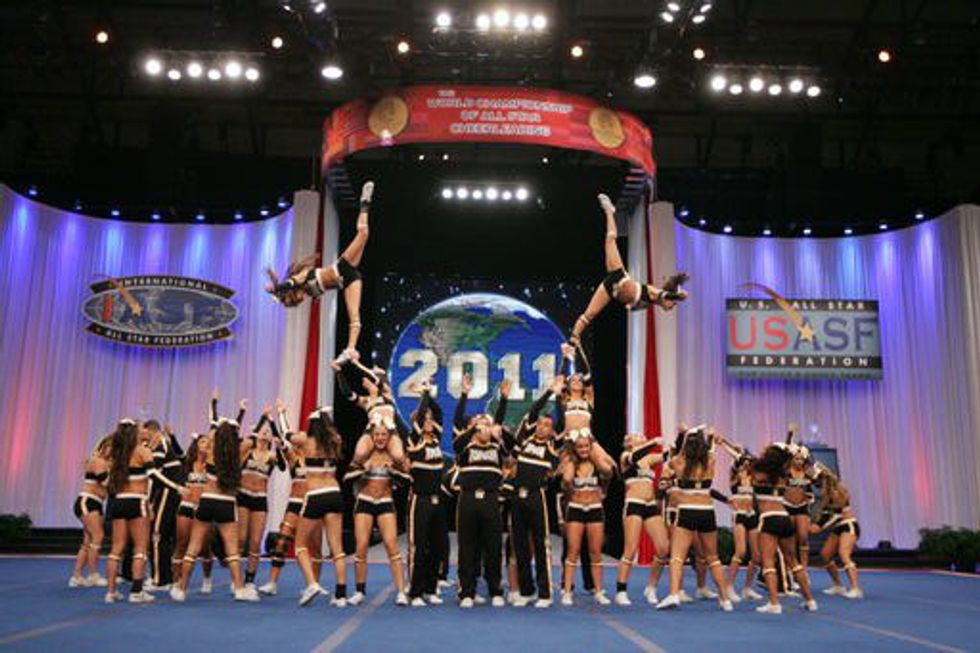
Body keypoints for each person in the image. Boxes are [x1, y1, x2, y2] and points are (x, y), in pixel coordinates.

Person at [266, 181, 374, 361]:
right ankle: (349, 350)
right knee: (355, 318)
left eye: (296, 299)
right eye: (297, 302)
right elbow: (296, 292)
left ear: (293, 292)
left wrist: (276, 289)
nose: (300, 300)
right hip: (349, 280)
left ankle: (365, 202)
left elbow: (289, 284)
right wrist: (280, 295)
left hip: (342, 267)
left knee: (363, 233)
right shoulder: (310, 293)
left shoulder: (301, 277)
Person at [569, 193, 688, 345]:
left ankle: (572, 340)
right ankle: (609, 211)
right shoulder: (653, 293)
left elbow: (633, 305)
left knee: (588, 316)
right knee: (610, 239)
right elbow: (663, 294)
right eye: (672, 305)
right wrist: (676, 296)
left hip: (610, 289)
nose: (671, 308)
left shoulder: (650, 303)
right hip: (618, 276)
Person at [169, 419, 260, 602]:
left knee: (193, 548)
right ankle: (239, 589)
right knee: (232, 551)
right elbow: (252, 439)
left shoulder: (211, 450)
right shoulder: (240, 451)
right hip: (227, 502)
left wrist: (219, 425)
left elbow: (211, 432)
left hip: (207, 500)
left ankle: (181, 589)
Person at [105, 419, 183, 603]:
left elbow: (108, 480)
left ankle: (110, 592)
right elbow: (153, 474)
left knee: (116, 548)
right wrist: (177, 487)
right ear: (134, 433)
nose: (143, 432)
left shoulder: (116, 454)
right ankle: (136, 591)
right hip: (137, 501)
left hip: (118, 501)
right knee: (140, 547)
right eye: (140, 429)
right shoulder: (142, 451)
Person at [656, 427, 733, 611]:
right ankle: (725, 600)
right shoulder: (710, 460)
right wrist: (710, 437)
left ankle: (674, 594)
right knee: (713, 558)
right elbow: (711, 448)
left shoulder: (678, 461)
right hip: (707, 511)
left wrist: (685, 434)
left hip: (687, 510)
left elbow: (671, 464)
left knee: (677, 557)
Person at [508, 377, 564, 608]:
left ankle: (545, 593)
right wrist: (548, 391)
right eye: (540, 424)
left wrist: (558, 397)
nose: (542, 427)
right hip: (517, 496)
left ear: (552, 431)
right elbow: (533, 411)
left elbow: (562, 422)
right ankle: (526, 590)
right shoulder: (524, 441)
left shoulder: (552, 448)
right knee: (520, 546)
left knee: (541, 545)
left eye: (547, 425)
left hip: (536, 497)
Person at [286, 407, 348, 607]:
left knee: (300, 546)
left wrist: (281, 414)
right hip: (334, 493)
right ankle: (341, 595)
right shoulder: (335, 440)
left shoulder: (305, 440)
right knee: (337, 548)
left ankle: (312, 583)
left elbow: (286, 435)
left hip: (315, 495)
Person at [346, 422, 411, 606]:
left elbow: (408, 479)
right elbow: (346, 478)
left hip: (385, 503)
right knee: (361, 546)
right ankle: (359, 591)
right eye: (377, 435)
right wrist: (362, 469)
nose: (380, 438)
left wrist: (393, 471)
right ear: (371, 437)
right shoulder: (363, 455)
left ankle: (401, 592)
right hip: (365, 502)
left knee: (391, 545)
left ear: (389, 437)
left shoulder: (394, 457)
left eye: (384, 435)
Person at [749, 444, 818, 614]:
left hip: (768, 518)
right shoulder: (783, 475)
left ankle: (774, 603)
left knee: (768, 562)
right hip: (784, 517)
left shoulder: (758, 473)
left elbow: (751, 468)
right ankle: (810, 601)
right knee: (794, 562)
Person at [453, 412, 511, 608]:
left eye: (487, 425)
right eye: (481, 426)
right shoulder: (466, 447)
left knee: (493, 546)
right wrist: (473, 428)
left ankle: (495, 590)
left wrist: (497, 433)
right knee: (467, 546)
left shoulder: (497, 447)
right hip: (468, 498)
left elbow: (511, 447)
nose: (484, 429)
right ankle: (467, 592)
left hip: (491, 499)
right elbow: (456, 445)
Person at [559, 433, 616, 606]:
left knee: (595, 552)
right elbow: (566, 480)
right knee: (573, 551)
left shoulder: (597, 463)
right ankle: (567, 592)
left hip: (595, 509)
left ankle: (598, 591)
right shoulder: (571, 463)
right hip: (576, 509)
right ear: (575, 449)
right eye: (580, 447)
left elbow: (609, 471)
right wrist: (569, 459)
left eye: (586, 446)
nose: (583, 449)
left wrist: (595, 451)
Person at [405, 382, 449, 606]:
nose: (430, 421)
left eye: (431, 419)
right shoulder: (414, 440)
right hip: (420, 499)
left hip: (437, 500)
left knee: (437, 547)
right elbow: (422, 414)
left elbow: (438, 412)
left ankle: (431, 589)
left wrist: (430, 395)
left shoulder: (436, 440)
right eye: (426, 419)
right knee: (419, 547)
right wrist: (423, 393)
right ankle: (415, 592)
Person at [259, 404, 310, 596]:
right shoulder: (292, 457)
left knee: (312, 546)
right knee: (281, 541)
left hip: (311, 503)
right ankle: (272, 582)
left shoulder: (315, 456)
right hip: (295, 502)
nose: (300, 438)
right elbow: (283, 437)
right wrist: (278, 416)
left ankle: (312, 583)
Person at [615, 433, 670, 606]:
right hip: (634, 503)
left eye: (641, 435)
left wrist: (683, 436)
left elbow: (669, 455)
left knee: (663, 548)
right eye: (636, 435)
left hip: (650, 504)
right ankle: (621, 591)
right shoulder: (625, 456)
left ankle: (651, 587)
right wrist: (653, 442)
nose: (641, 435)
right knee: (631, 549)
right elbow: (634, 457)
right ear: (628, 442)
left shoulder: (649, 458)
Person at [237, 409, 287, 588]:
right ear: (257, 434)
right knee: (241, 539)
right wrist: (262, 418)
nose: (265, 433)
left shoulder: (272, 456)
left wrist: (278, 446)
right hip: (243, 495)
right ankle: (236, 577)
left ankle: (250, 579)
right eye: (262, 431)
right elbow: (248, 438)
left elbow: (283, 466)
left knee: (256, 542)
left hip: (260, 498)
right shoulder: (247, 451)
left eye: (268, 432)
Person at [144, 420, 185, 592]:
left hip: (167, 494)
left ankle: (160, 580)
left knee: (157, 536)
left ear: (151, 431)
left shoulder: (161, 445)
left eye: (144, 433)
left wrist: (148, 501)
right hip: (170, 494)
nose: (143, 437)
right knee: (164, 537)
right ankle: (166, 576)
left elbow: (154, 477)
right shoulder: (163, 445)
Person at [812, 470, 864, 599]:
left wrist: (819, 527)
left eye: (819, 485)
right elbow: (825, 517)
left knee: (844, 554)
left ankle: (856, 588)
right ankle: (838, 585)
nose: (819, 489)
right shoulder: (827, 496)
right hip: (838, 527)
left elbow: (835, 516)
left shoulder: (837, 493)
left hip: (849, 525)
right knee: (825, 555)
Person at [174, 432, 215, 595]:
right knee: (181, 543)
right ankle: (177, 581)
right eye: (203, 441)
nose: (206, 444)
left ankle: (207, 578)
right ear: (196, 445)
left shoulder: (213, 465)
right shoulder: (187, 463)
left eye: (209, 442)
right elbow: (179, 484)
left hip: (204, 508)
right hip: (186, 506)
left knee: (205, 547)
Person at [69, 436, 111, 588]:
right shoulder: (98, 461)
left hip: (97, 503)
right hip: (87, 501)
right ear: (103, 447)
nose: (113, 451)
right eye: (110, 447)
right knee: (98, 536)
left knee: (88, 541)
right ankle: (93, 575)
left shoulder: (107, 463)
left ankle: (77, 576)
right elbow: (106, 482)